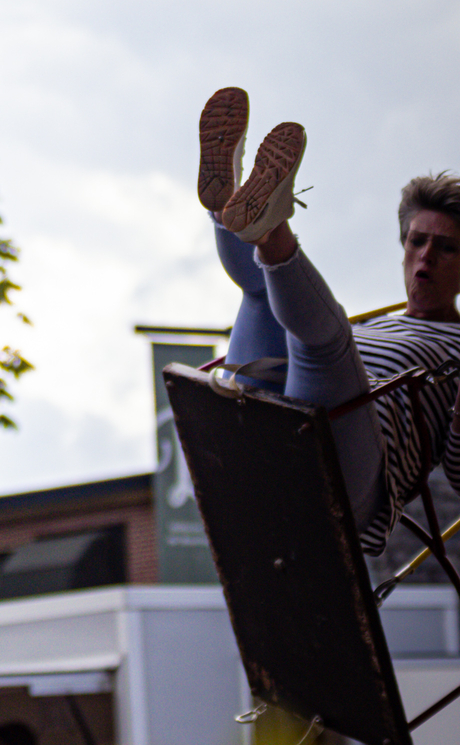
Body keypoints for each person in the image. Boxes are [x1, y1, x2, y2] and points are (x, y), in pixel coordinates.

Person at [197, 91, 460, 555]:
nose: (426, 258)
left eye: (445, 248)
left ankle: (263, 224)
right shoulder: (378, 324)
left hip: (353, 477)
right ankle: (228, 202)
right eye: (417, 242)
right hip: (275, 422)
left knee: (326, 341)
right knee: (265, 293)